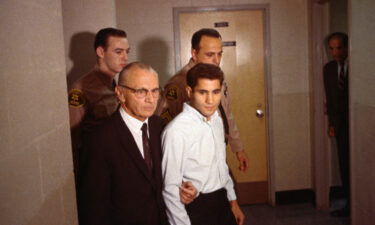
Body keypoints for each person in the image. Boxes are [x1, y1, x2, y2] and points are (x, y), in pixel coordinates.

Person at [78, 62, 167, 225]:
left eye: (155, 91)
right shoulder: (99, 140)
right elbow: (93, 209)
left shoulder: (160, 126)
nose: (151, 99)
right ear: (120, 93)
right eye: (141, 91)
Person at [162, 63, 245, 225]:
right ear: (189, 92)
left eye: (215, 92)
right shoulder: (176, 131)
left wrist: (233, 202)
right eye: (202, 92)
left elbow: (221, 165)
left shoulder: (217, 120)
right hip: (196, 207)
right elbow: (170, 189)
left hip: (221, 201)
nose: (210, 100)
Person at [156, 28, 248, 172]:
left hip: (216, 153)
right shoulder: (179, 84)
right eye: (210, 55)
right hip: (192, 163)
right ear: (194, 54)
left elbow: (226, 114)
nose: (216, 61)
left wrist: (238, 148)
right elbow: (163, 128)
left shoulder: (216, 78)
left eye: (219, 54)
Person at [68, 27, 129, 181]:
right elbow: (73, 140)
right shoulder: (81, 89)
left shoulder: (116, 83)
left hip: (117, 165)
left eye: (127, 51)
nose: (125, 57)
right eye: (118, 52)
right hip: (95, 170)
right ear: (101, 52)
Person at [323, 32, 350, 217]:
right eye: (331, 48)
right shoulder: (329, 69)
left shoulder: (357, 65)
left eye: (338, 47)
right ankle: (350, 205)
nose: (335, 53)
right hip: (340, 126)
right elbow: (330, 99)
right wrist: (331, 124)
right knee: (344, 165)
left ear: (347, 47)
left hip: (358, 124)